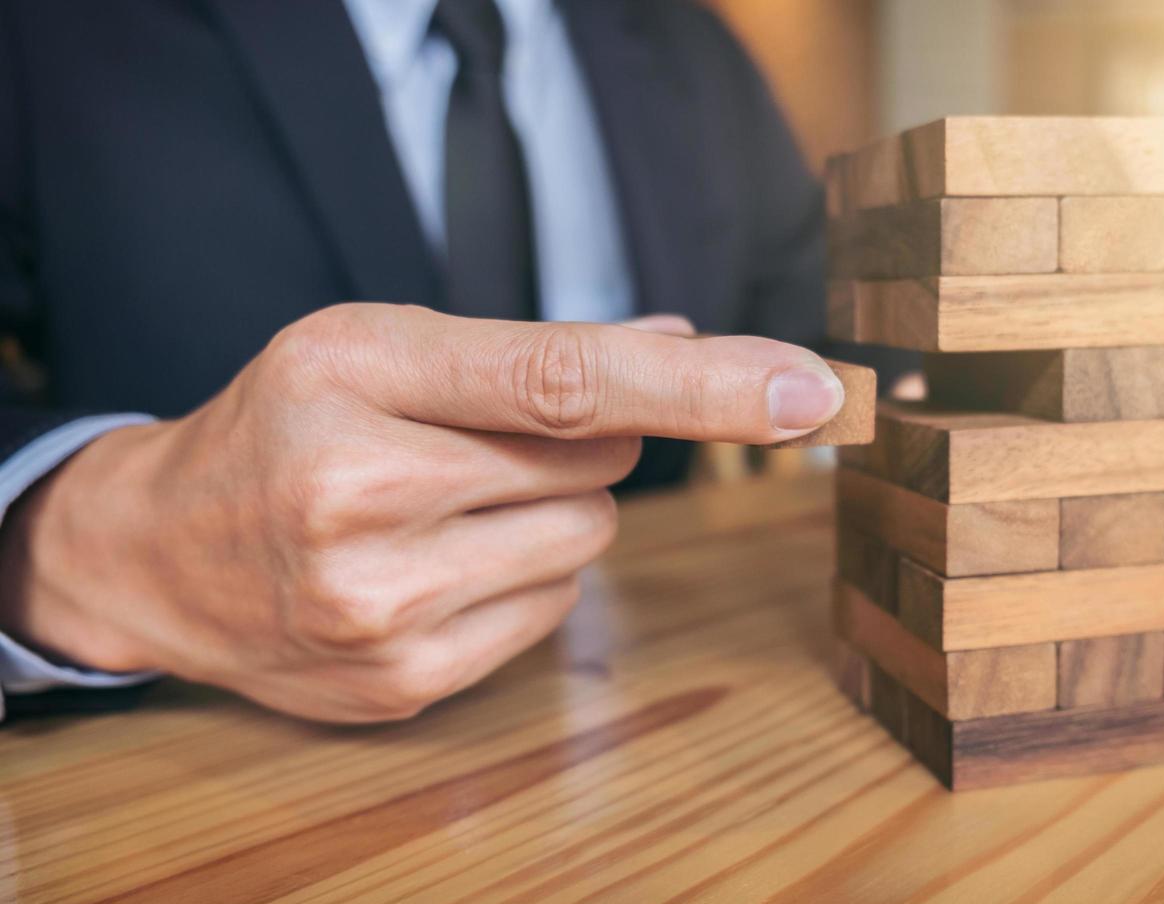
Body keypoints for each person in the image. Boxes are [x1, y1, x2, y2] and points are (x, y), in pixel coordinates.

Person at [0, 0, 883, 722]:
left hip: (653, 711)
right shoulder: (49, 32)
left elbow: (834, 325)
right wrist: (82, 551)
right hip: (203, 769)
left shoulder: (689, 43)